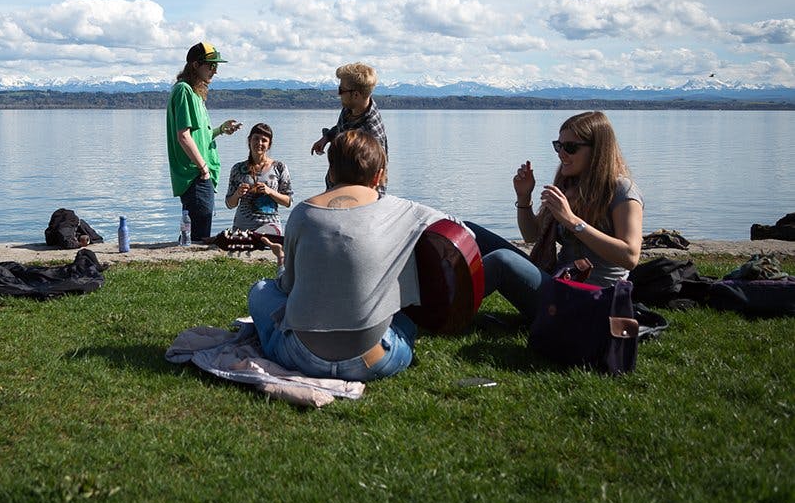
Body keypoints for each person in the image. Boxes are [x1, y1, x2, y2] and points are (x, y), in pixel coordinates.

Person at [247, 130, 455, 382]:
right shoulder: (403, 210)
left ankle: (272, 340)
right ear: (378, 176)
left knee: (260, 290)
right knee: (405, 318)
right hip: (372, 360)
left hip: (301, 356)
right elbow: (457, 231)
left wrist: (282, 265)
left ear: (331, 172)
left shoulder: (302, 213)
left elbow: (287, 287)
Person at [468, 110, 644, 320]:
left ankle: (447, 309)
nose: (562, 154)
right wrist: (524, 198)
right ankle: (435, 295)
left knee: (501, 260)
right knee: (469, 231)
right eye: (558, 146)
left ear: (597, 151)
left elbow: (630, 257)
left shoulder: (622, 191)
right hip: (559, 282)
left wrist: (572, 221)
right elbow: (531, 235)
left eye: (570, 147)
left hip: (590, 298)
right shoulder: (568, 185)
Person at [165, 41, 241, 242]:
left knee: (196, 229)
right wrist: (203, 168)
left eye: (217, 66)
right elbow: (183, 136)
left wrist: (220, 130)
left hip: (199, 174)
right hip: (195, 175)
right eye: (211, 65)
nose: (215, 71)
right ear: (195, 65)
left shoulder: (196, 94)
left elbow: (198, 136)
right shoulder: (184, 91)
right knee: (198, 236)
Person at [310, 62, 389, 193]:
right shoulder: (350, 109)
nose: (339, 94)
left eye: (341, 90)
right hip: (335, 190)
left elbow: (379, 178)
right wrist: (326, 137)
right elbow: (341, 128)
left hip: (355, 200)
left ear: (356, 95)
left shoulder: (371, 133)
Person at [224, 123, 293, 234]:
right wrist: (237, 194)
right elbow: (229, 204)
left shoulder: (279, 167)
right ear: (249, 141)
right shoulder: (237, 168)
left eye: (264, 140)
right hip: (242, 228)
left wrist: (270, 191)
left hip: (271, 228)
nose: (259, 143)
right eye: (256, 138)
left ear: (269, 144)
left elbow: (288, 202)